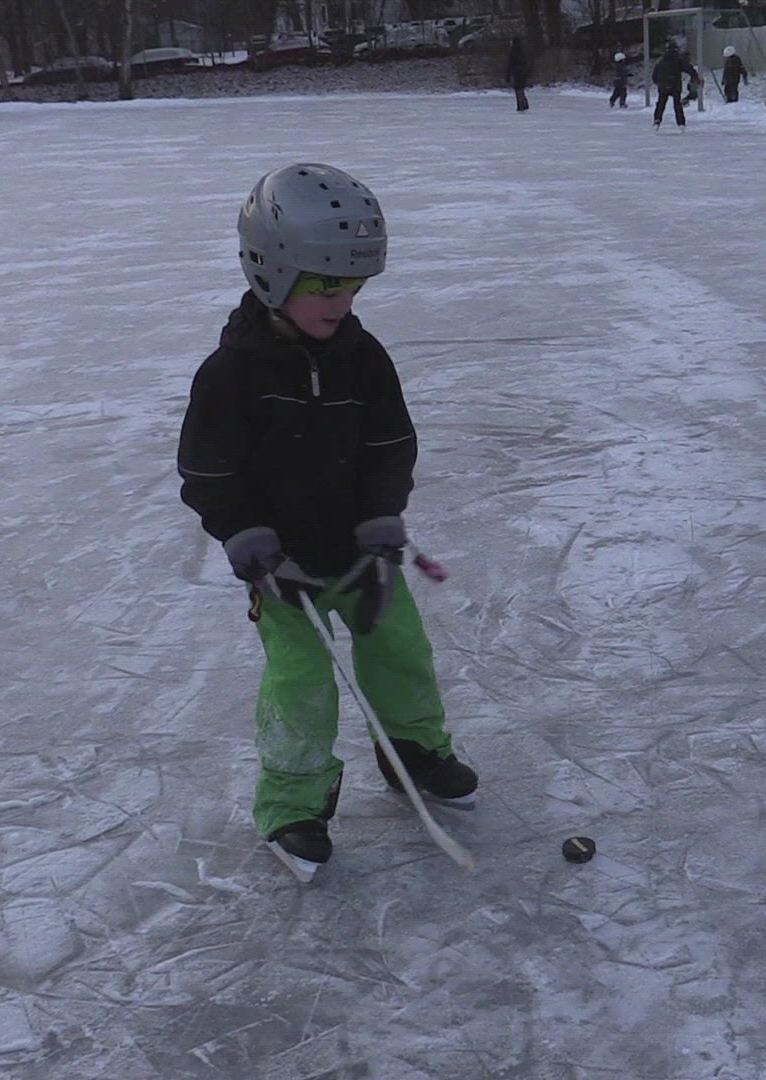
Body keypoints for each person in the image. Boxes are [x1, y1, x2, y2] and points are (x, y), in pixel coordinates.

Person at [176, 163, 478, 882]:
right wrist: (246, 537)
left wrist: (382, 518)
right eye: (324, 287)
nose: (341, 304)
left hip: (361, 556)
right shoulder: (230, 375)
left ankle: (413, 753)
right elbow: (208, 473)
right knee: (302, 686)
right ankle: (293, 806)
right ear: (272, 274)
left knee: (402, 655)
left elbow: (391, 445)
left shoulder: (362, 359)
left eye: (353, 287)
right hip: (284, 571)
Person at [651, 41, 698, 129]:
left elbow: (654, 75)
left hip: (663, 86)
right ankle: (681, 123)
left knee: (661, 103)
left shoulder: (661, 61)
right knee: (677, 104)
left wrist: (659, 83)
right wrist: (695, 76)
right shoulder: (678, 60)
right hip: (675, 85)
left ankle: (657, 120)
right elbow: (688, 68)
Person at [506, 36, 530, 111]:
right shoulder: (523, 51)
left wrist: (508, 74)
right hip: (523, 72)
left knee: (518, 89)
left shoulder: (513, 51)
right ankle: (524, 103)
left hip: (516, 73)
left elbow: (510, 64)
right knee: (521, 88)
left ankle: (521, 104)